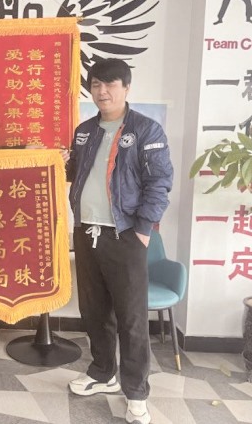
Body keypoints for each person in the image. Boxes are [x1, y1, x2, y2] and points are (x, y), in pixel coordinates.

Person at [65, 58, 173, 424]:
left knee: (131, 319)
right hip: (86, 232)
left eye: (110, 85)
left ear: (126, 88)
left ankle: (136, 392)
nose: (102, 91)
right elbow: (77, 172)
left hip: (125, 235)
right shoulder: (84, 130)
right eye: (96, 84)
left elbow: (159, 183)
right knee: (94, 312)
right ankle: (102, 373)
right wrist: (58, 159)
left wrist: (142, 229)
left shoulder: (146, 129)